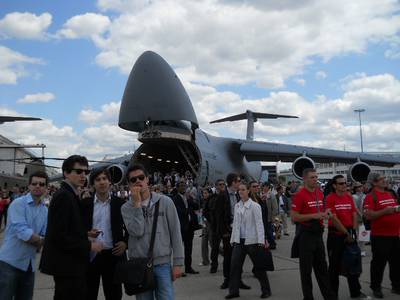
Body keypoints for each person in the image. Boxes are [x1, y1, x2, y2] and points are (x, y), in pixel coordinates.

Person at [40, 155, 104, 300]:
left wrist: (86, 234)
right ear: (66, 173)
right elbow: (59, 236)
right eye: (78, 171)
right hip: (66, 266)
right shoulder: (64, 196)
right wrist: (89, 246)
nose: (83, 175)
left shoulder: (70, 194)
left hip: (69, 265)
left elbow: (68, 229)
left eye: (86, 172)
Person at [121, 163, 184, 300]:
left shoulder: (165, 202)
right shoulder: (126, 208)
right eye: (133, 180)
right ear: (129, 184)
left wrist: (178, 263)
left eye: (141, 177)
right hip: (139, 265)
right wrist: (137, 205)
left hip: (163, 264)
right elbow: (136, 231)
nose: (138, 181)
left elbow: (175, 233)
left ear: (147, 179)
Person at [81, 167, 129, 300]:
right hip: (91, 256)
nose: (102, 182)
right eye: (98, 180)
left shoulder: (121, 204)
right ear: (92, 184)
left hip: (113, 255)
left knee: (114, 295)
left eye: (104, 179)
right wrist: (86, 234)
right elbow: (76, 230)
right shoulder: (84, 204)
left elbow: (131, 229)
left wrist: (125, 242)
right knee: (88, 294)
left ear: (110, 182)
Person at [0, 171, 49, 300]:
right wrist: (40, 240)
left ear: (46, 187)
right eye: (34, 183)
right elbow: (24, 233)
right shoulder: (18, 204)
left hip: (29, 265)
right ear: (29, 186)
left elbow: (46, 233)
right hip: (10, 263)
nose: (38, 186)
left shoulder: (45, 210)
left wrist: (40, 239)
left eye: (41, 184)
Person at [291, 168, 336, 300]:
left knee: (322, 268)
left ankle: (329, 296)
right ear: (304, 179)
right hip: (306, 235)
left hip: (318, 234)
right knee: (306, 271)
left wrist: (326, 213)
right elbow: (294, 217)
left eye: (316, 177)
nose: (315, 179)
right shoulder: (300, 195)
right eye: (312, 177)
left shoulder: (319, 193)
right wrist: (314, 215)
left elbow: (322, 210)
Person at [326, 175, 369, 299]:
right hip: (336, 236)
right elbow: (333, 218)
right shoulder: (330, 198)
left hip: (350, 234)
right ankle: (333, 295)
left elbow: (354, 213)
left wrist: (353, 231)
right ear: (334, 186)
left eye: (345, 183)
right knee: (334, 267)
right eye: (341, 183)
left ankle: (355, 292)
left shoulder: (348, 197)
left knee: (353, 264)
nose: (344, 185)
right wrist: (346, 233)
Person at [226, 183, 271, 299]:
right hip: (239, 241)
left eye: (243, 190)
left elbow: (259, 224)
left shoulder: (255, 206)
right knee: (235, 266)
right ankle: (233, 291)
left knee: (259, 267)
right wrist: (233, 239)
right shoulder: (237, 206)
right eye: (239, 190)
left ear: (248, 191)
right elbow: (236, 224)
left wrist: (261, 240)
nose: (240, 192)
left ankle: (266, 290)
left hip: (252, 241)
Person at [363, 173, 400, 299]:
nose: (385, 181)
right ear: (374, 183)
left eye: (385, 178)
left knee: (396, 263)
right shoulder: (370, 196)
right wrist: (385, 211)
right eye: (381, 179)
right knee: (379, 264)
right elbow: (368, 215)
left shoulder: (391, 193)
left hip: (395, 234)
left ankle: (396, 285)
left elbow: (395, 209)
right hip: (380, 236)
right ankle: (376, 287)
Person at [212, 173, 250, 290]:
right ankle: (227, 280)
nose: (240, 182)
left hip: (239, 230)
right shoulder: (222, 196)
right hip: (228, 232)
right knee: (228, 256)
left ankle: (238, 280)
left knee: (239, 257)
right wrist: (224, 232)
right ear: (233, 182)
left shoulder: (239, 195)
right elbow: (218, 216)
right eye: (238, 181)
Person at [172, 181, 200, 275]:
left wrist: (191, 199)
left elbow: (197, 207)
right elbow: (181, 212)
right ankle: (178, 270)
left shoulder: (188, 197)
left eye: (184, 186)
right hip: (181, 227)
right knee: (179, 250)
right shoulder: (175, 199)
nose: (183, 187)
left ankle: (188, 267)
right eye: (181, 186)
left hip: (190, 227)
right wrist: (188, 207)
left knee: (189, 249)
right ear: (177, 188)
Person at [200, 187, 214, 266]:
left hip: (210, 224)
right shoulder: (204, 201)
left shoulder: (212, 201)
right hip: (205, 224)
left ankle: (226, 254)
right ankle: (205, 260)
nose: (204, 194)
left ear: (210, 193)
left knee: (212, 243)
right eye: (203, 193)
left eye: (206, 193)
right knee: (203, 243)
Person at [261, 183, 277, 249]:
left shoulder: (271, 195)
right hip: (263, 216)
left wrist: (273, 217)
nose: (264, 188)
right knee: (265, 231)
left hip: (269, 216)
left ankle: (272, 243)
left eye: (265, 186)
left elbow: (275, 207)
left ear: (268, 187)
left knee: (269, 231)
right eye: (263, 186)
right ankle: (268, 243)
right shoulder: (261, 194)